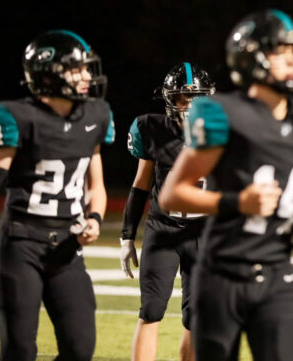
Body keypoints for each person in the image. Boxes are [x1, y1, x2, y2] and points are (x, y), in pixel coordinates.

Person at [158, 9, 293, 361]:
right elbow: (172, 194)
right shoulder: (221, 113)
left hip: (277, 274)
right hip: (222, 273)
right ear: (252, 58)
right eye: (280, 53)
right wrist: (237, 202)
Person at [0, 30, 114, 360]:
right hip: (21, 244)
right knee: (19, 348)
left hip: (66, 246)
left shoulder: (96, 115)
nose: (87, 76)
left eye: (87, 68)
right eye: (77, 69)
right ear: (49, 73)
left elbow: (97, 186)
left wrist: (94, 218)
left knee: (80, 346)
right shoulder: (17, 117)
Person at [121, 62, 215, 361]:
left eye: (196, 97)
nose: (189, 105)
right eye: (182, 98)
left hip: (204, 233)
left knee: (196, 317)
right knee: (151, 309)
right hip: (163, 231)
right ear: (169, 100)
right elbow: (140, 184)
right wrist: (126, 236)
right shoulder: (151, 128)